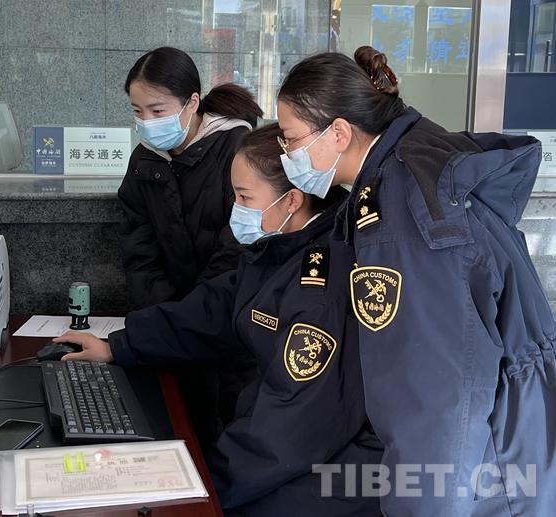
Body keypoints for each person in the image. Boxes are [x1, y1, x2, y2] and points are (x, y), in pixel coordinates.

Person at [276, 46, 554, 516]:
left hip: (491, 470)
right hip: (518, 434)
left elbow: (436, 401)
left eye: (289, 139)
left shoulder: (400, 223)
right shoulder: (416, 154)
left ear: (338, 132)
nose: (287, 154)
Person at [55, 124, 383, 516]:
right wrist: (118, 346)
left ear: (292, 201)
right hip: (290, 444)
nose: (236, 211)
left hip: (339, 468)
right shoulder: (281, 251)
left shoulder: (321, 285)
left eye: (245, 197)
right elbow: (212, 311)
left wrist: (201, 484)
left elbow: (291, 422)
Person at [120, 47, 264, 450]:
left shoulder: (237, 149)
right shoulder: (143, 162)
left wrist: (193, 318)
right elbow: (139, 251)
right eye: (137, 111)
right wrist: (170, 321)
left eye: (158, 110)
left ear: (192, 103)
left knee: (232, 448)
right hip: (175, 336)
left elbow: (238, 248)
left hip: (233, 334)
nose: (147, 122)